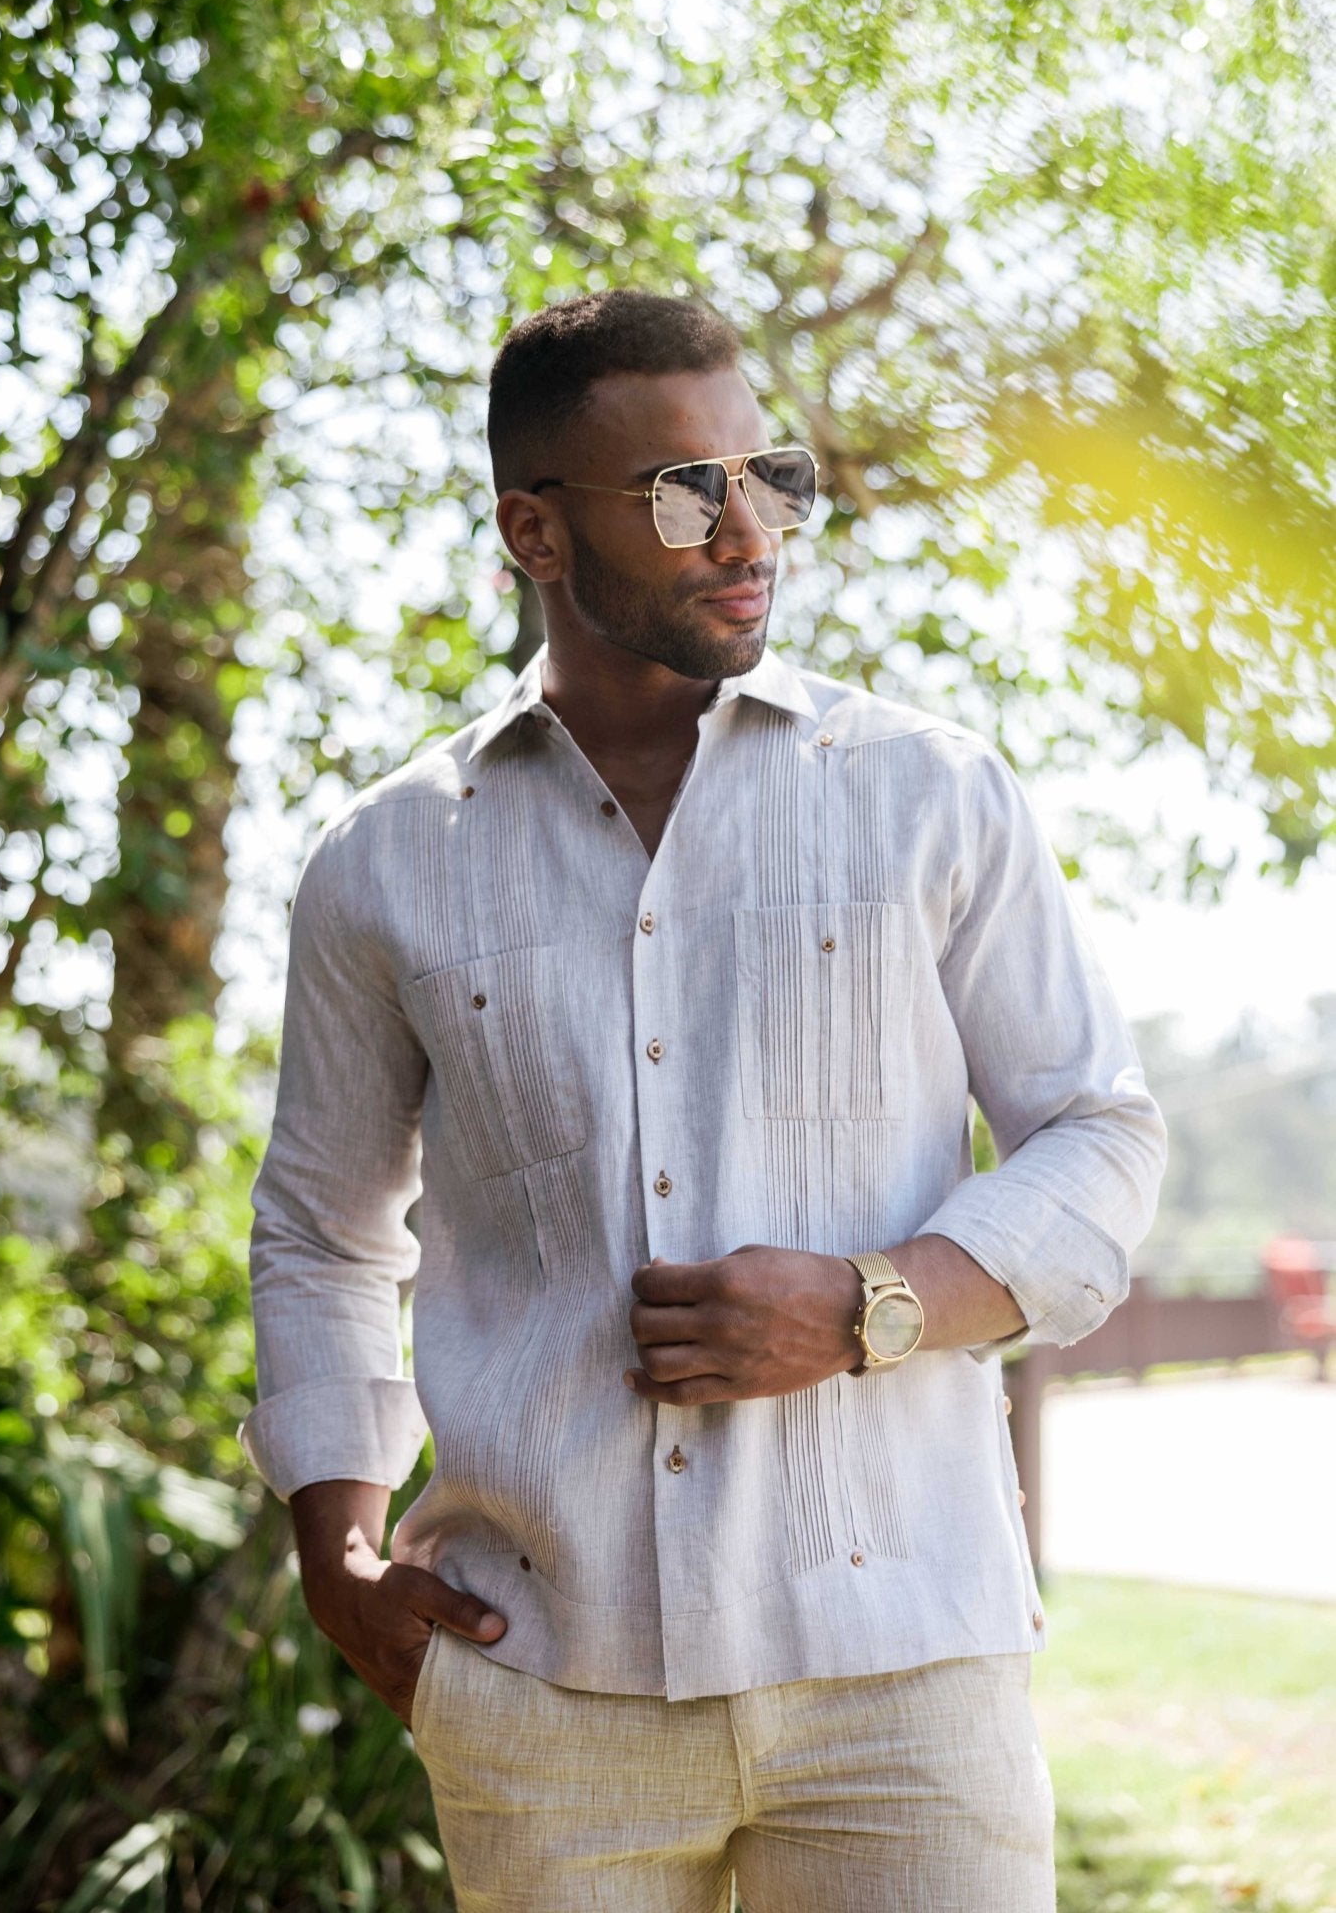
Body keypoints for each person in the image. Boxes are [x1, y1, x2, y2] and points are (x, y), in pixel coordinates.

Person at [239, 287, 1168, 1911]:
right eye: (682, 491)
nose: (747, 532)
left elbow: (1098, 1132)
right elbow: (322, 1234)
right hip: (543, 1678)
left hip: (902, 1667)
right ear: (534, 530)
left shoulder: (925, 794)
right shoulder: (384, 862)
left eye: (767, 478)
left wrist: (869, 1304)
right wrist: (337, 1553)